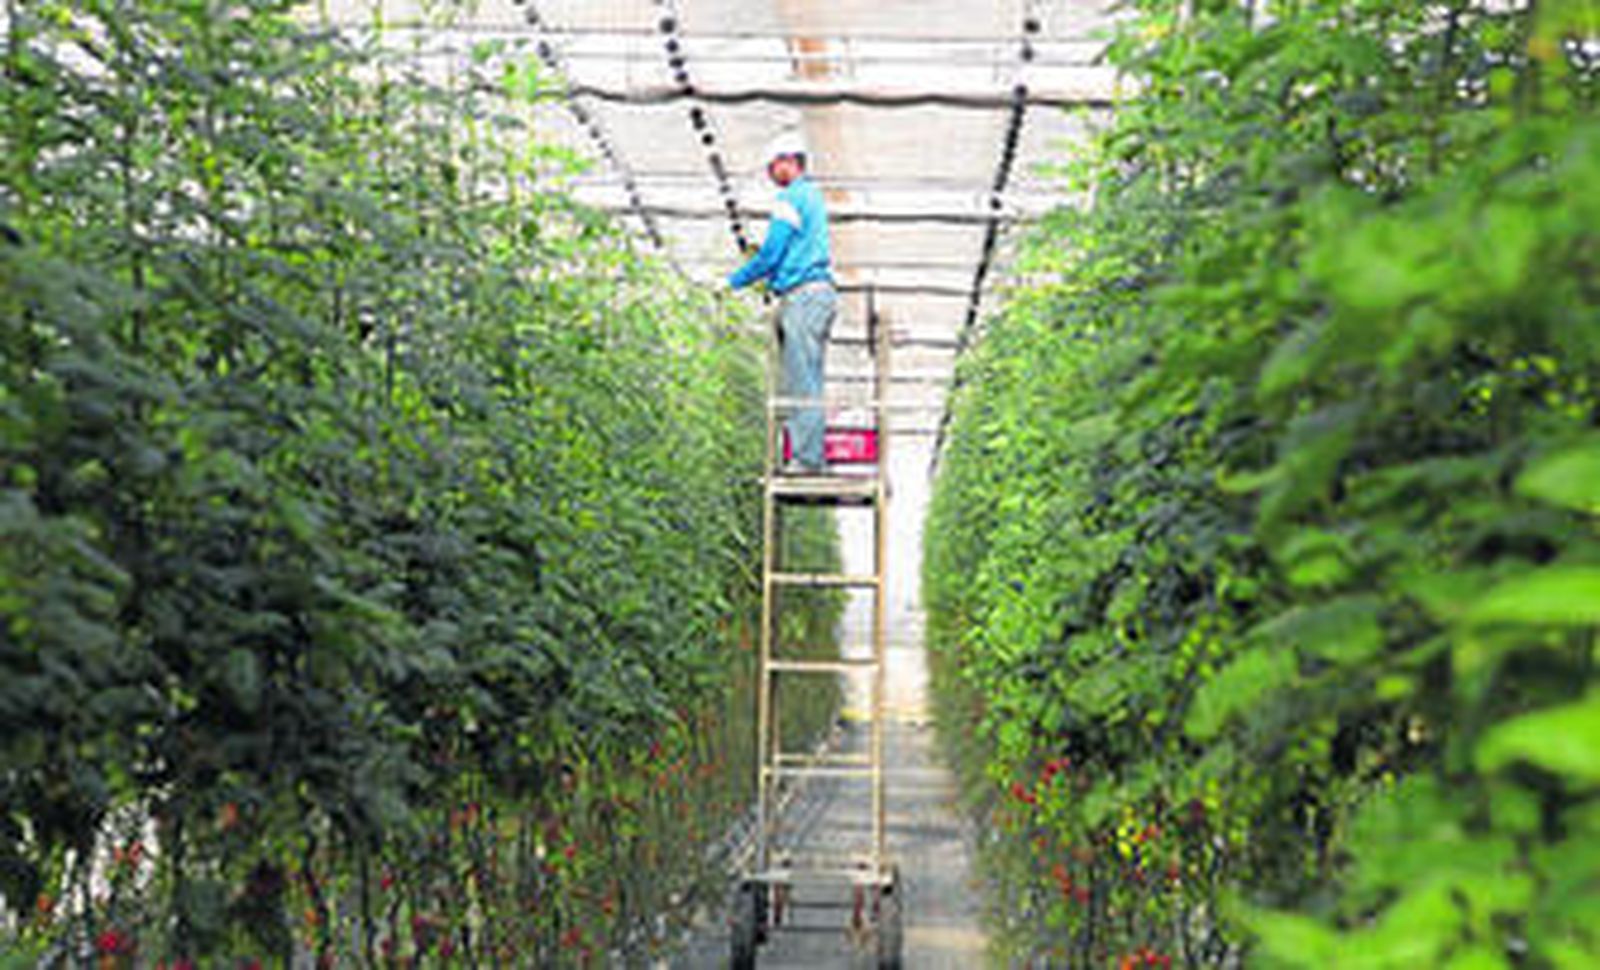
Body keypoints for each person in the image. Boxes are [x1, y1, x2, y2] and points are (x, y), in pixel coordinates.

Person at [728, 131, 837, 475]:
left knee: (800, 378)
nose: (770, 174)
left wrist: (733, 281)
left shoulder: (791, 198)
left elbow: (771, 254)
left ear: (789, 162)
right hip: (819, 295)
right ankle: (812, 456)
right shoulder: (812, 197)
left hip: (803, 296)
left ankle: (807, 460)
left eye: (772, 166)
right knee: (810, 376)